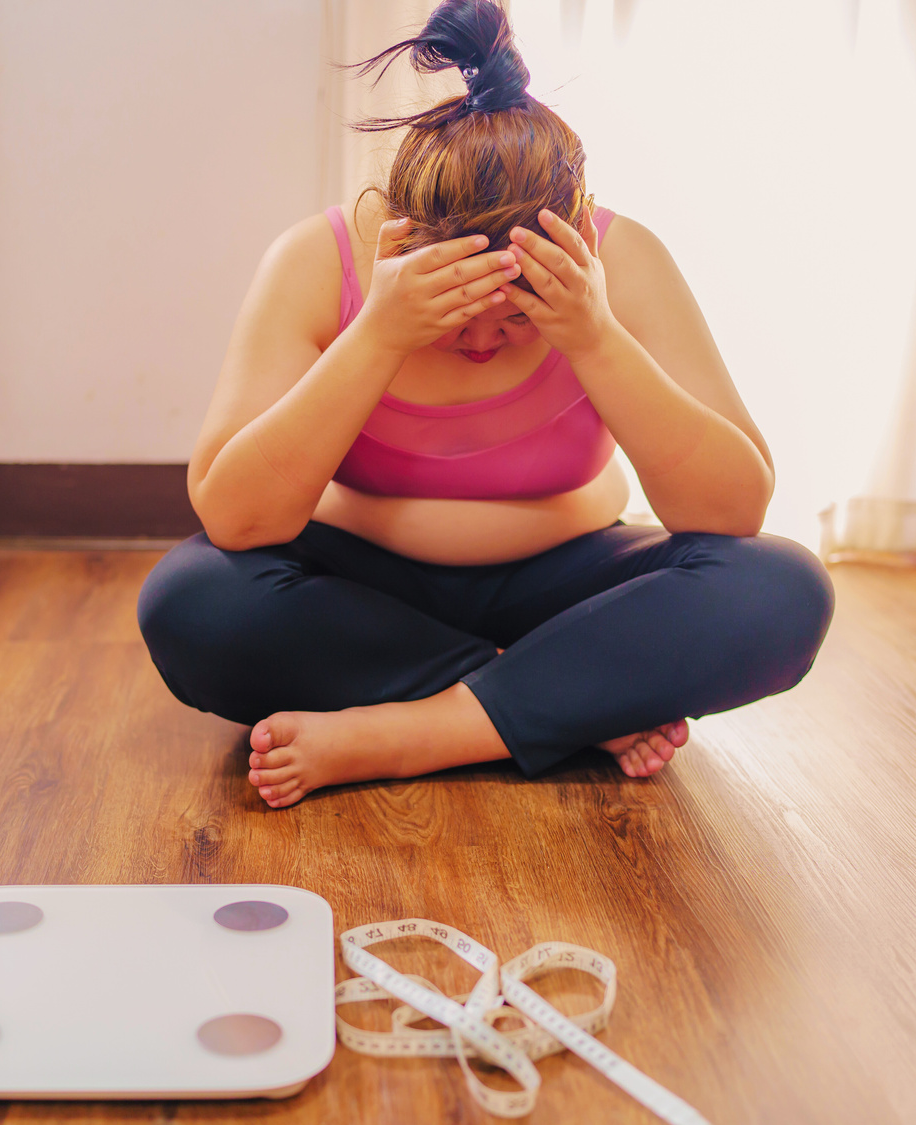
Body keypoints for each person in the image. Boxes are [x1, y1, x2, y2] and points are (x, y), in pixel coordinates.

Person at [137, 0, 833, 808]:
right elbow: (235, 516)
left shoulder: (626, 263)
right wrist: (380, 333)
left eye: (516, 318)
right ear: (401, 243)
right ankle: (561, 698)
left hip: (561, 580)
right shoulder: (315, 263)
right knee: (191, 600)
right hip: (364, 591)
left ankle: (415, 732)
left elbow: (733, 507)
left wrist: (593, 336)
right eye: (455, 313)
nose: (480, 343)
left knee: (780, 589)